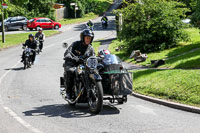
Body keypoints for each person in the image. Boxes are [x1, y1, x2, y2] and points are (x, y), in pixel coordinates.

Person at [63, 29, 95, 99]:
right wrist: (70, 57)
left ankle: (93, 89)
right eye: (87, 38)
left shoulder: (90, 48)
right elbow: (68, 51)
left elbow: (93, 56)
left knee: (93, 71)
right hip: (72, 63)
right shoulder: (75, 44)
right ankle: (69, 92)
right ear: (83, 38)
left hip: (83, 65)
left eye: (90, 38)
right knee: (70, 71)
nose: (88, 40)